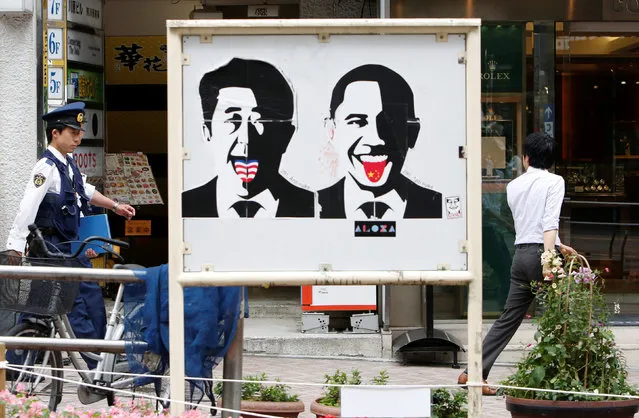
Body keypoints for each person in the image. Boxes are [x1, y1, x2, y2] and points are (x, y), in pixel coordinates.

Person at [5, 102, 136, 368]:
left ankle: (104, 357)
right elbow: (27, 208)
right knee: (70, 304)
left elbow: (84, 190)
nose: (78, 138)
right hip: (51, 248)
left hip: (70, 246)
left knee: (91, 297)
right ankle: (88, 364)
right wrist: (15, 248)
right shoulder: (46, 168)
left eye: (80, 132)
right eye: (72, 132)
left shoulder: (68, 164)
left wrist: (114, 206)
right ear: (55, 133)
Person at [457, 132, 576, 395]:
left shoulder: (513, 186)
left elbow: (530, 221)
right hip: (542, 256)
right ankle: (569, 377)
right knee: (568, 312)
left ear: (526, 158)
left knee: (508, 319)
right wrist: (549, 259)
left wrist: (558, 245)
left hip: (521, 255)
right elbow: (549, 222)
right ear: (551, 160)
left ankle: (473, 372)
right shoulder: (555, 182)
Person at [182, 58, 314, 218]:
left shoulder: (315, 206)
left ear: (285, 136)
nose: (245, 138)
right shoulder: (185, 206)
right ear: (207, 132)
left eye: (259, 121)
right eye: (233, 120)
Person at [318, 64, 442, 220]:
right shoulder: (314, 207)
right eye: (357, 122)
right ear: (331, 131)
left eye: (390, 121)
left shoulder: (438, 206)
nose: (375, 139)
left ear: (413, 132)